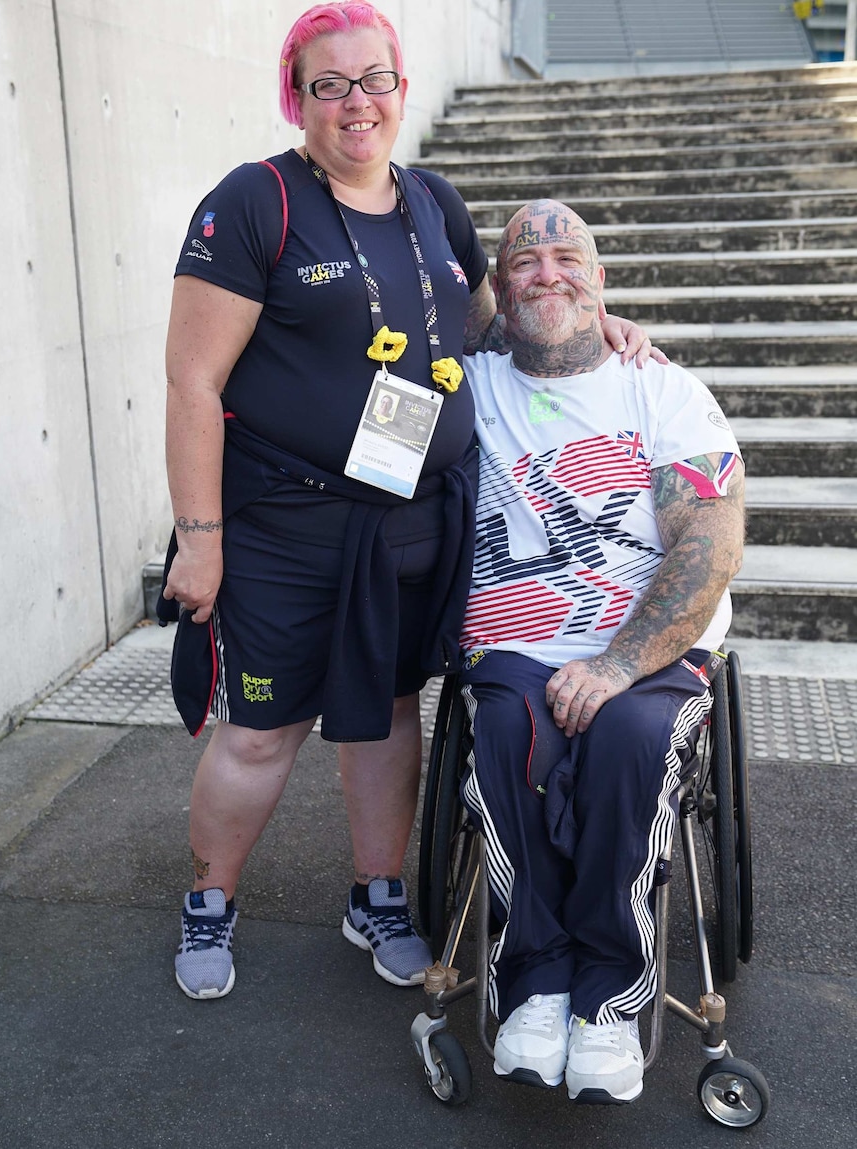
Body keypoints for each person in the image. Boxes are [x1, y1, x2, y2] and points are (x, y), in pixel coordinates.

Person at [161, 1, 657, 1002]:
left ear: (400, 85)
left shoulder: (432, 200)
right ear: (296, 96)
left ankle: (377, 895)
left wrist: (589, 330)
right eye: (328, 83)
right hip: (285, 527)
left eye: (373, 79)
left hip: (416, 519)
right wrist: (199, 541)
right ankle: (210, 898)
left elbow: (482, 326)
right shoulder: (256, 204)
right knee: (261, 730)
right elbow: (191, 385)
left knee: (390, 714)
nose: (355, 103)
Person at [458, 199, 745, 1103]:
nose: (548, 272)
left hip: (647, 648)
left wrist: (619, 664)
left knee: (625, 740)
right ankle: (537, 978)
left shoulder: (662, 390)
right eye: (525, 261)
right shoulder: (465, 385)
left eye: (568, 257)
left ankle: (611, 991)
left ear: (602, 281)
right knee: (508, 732)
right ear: (499, 292)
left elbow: (709, 534)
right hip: (514, 644)